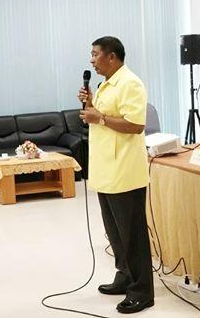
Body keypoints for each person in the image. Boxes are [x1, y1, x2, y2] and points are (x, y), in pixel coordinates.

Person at [78, 36, 154, 314]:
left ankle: (142, 291)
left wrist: (99, 117)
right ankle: (124, 276)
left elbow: (135, 125)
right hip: (106, 170)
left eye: (95, 54)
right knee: (115, 232)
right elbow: (101, 118)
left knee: (132, 234)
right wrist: (91, 105)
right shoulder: (105, 84)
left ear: (111, 56)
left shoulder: (130, 83)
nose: (91, 60)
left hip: (124, 171)